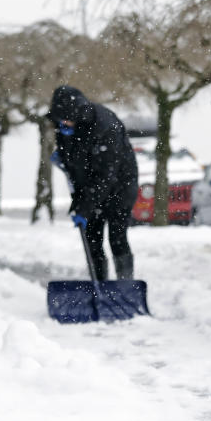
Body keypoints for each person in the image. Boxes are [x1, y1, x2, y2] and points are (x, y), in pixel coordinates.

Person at [48, 85, 139, 281]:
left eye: (66, 118)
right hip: (92, 188)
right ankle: (100, 284)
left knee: (117, 237)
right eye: (60, 118)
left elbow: (105, 175)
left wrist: (84, 208)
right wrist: (64, 159)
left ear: (76, 113)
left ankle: (125, 285)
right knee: (92, 239)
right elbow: (76, 168)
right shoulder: (65, 127)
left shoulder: (105, 126)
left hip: (120, 188)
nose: (62, 122)